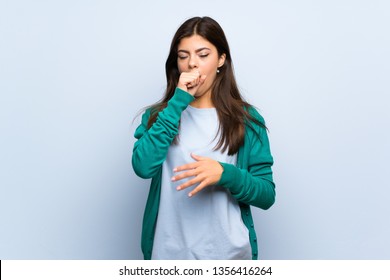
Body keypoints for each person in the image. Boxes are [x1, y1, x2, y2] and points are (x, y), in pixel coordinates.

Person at [132, 16, 275, 260]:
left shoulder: (247, 120)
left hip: (228, 256)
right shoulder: (159, 116)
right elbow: (143, 167)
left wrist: (225, 174)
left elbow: (266, 195)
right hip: (168, 255)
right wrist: (177, 103)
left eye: (203, 54)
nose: (192, 65)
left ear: (220, 59)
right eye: (183, 56)